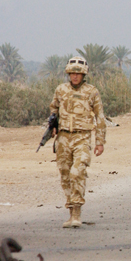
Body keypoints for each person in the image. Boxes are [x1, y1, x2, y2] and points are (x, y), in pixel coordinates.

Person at [50, 56, 106, 228]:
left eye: (78, 74)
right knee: (65, 175)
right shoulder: (60, 90)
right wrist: (53, 125)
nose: (75, 76)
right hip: (63, 138)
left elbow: (100, 117)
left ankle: (77, 212)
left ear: (84, 75)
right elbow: (54, 109)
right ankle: (70, 211)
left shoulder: (92, 92)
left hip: (82, 137)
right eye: (72, 73)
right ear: (68, 73)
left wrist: (100, 141)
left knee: (77, 172)